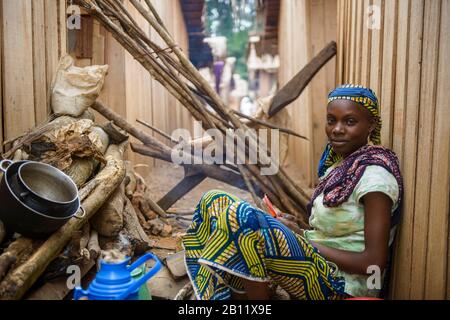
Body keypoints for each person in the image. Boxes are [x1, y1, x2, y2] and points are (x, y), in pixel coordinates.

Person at [182, 84, 403, 300]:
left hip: (341, 285)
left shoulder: (375, 179)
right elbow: (333, 238)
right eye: (331, 120)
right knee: (214, 201)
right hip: (317, 263)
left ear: (371, 125)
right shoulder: (345, 166)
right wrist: (298, 229)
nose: (337, 129)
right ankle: (236, 293)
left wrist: (302, 240)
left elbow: (372, 263)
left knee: (242, 218)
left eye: (350, 121)